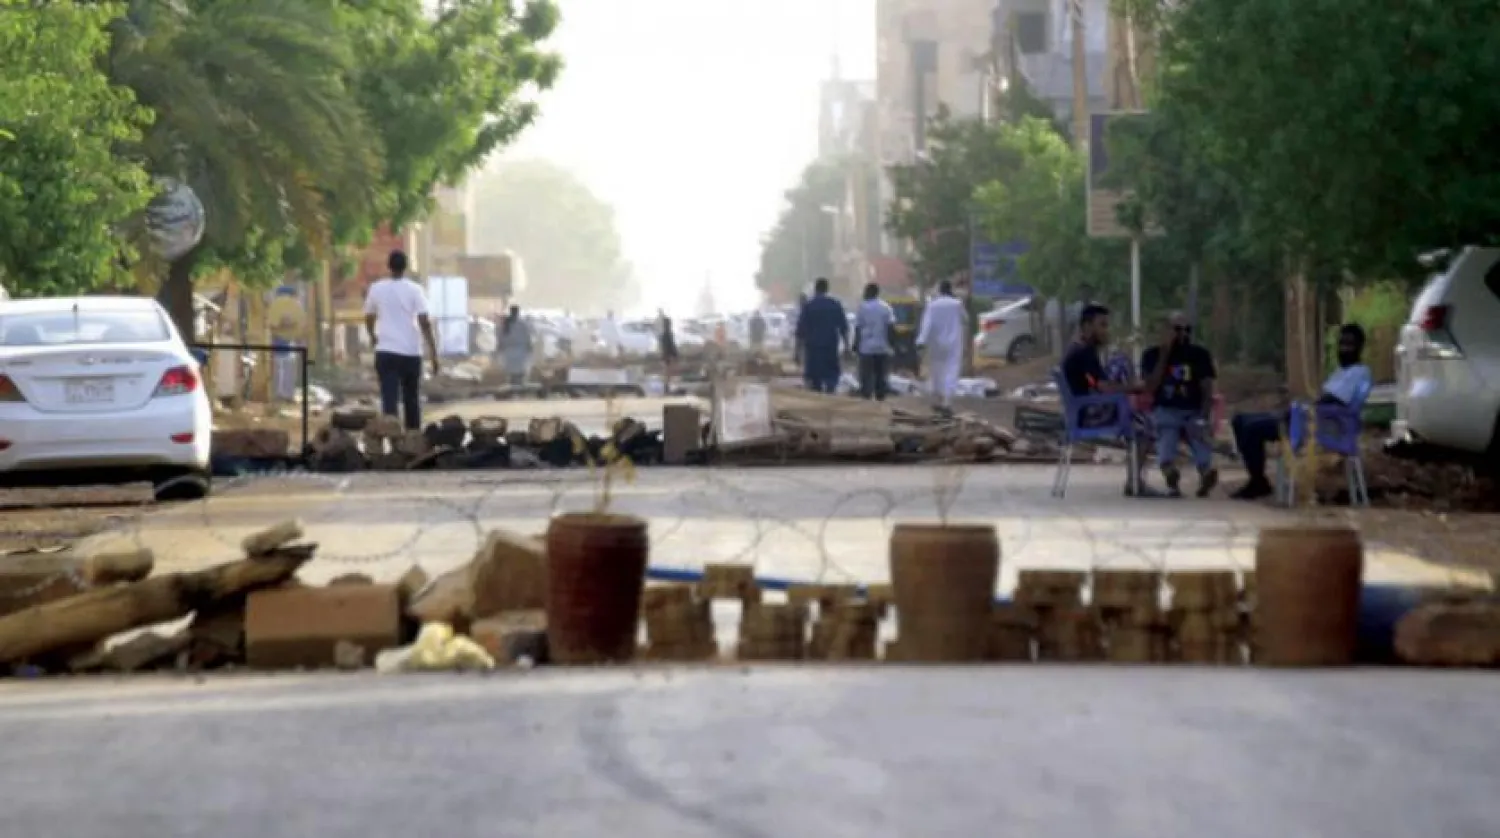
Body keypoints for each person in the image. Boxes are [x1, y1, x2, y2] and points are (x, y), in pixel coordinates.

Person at [1228, 323, 1373, 500]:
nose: (1344, 349)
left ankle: (1257, 482)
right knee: (1239, 420)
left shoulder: (1359, 372)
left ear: (1360, 347)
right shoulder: (1341, 372)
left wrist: (1308, 405)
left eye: (1349, 345)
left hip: (1316, 426)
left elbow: (1335, 400)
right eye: (1341, 344)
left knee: (1252, 428)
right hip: (1306, 417)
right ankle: (1257, 479)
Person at [1062, 304, 1172, 496]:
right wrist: (1133, 388)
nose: (1106, 330)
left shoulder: (1078, 348)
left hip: (1083, 410)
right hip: (1088, 413)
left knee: (1122, 365)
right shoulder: (1084, 351)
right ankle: (1135, 483)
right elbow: (1103, 387)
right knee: (1147, 425)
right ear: (1087, 326)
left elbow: (1098, 383)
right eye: (1102, 325)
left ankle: (1135, 481)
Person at [1139, 311, 1219, 498]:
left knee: (1198, 433)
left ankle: (1206, 472)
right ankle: (1169, 469)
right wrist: (1165, 354)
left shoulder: (1199, 354)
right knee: (1167, 431)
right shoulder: (1151, 355)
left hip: (1193, 409)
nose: (1182, 334)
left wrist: (1204, 415)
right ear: (1165, 331)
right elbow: (1151, 386)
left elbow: (1207, 386)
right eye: (1176, 329)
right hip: (1166, 408)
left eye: (1186, 329)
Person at [363, 250, 438, 430]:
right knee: (411, 398)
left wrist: (373, 335)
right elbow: (424, 322)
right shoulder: (415, 289)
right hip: (411, 352)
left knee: (389, 399)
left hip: (386, 351)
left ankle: (392, 438)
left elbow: (369, 316)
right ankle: (413, 439)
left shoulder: (377, 288)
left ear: (389, 267)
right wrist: (434, 353)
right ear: (406, 267)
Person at [916, 280, 967, 411]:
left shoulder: (932, 305)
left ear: (939, 290)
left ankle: (938, 398)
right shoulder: (957, 304)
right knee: (951, 369)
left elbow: (926, 324)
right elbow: (965, 319)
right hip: (954, 342)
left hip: (936, 343)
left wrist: (921, 341)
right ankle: (947, 400)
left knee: (937, 370)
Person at [794, 278, 849, 393]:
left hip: (813, 347)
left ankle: (817, 394)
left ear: (815, 289)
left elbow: (800, 331)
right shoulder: (835, 304)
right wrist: (847, 346)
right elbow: (844, 327)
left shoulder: (809, 306)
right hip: (831, 345)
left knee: (815, 377)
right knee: (831, 373)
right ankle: (830, 391)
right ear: (827, 289)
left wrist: (797, 351)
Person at [854, 283, 895, 401]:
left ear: (869, 292)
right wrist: (891, 345)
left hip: (866, 348)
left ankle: (866, 397)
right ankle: (880, 398)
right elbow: (891, 328)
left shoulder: (862, 308)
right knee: (881, 375)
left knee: (866, 375)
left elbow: (858, 328)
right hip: (882, 348)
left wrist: (855, 345)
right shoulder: (886, 307)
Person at [499, 305, 533, 386]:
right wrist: (530, 348)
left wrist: (500, 349)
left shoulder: (506, 323)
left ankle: (513, 388)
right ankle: (518, 388)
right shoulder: (522, 324)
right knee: (519, 373)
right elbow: (527, 337)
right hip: (520, 351)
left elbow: (501, 338)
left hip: (509, 352)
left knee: (512, 373)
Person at [658, 309, 680, 391]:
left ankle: (666, 387)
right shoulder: (668, 334)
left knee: (667, 374)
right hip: (668, 357)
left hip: (665, 356)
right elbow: (671, 346)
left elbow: (665, 347)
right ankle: (667, 388)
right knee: (668, 373)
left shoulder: (663, 334)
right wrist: (675, 355)